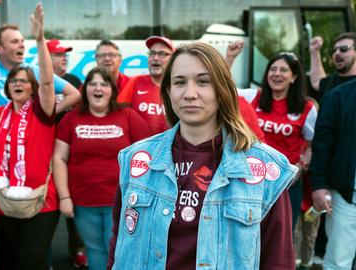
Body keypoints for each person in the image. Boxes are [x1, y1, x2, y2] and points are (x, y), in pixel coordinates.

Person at [108, 42, 296, 269]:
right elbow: (120, 242)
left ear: (222, 89)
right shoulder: (137, 159)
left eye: (203, 81)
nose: (190, 94)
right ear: (168, 91)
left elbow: (278, 259)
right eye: (179, 82)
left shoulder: (265, 169)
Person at [53, 67, 150, 270]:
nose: (98, 88)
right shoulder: (72, 119)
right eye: (93, 84)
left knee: (116, 248)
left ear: (111, 90)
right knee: (95, 249)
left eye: (104, 84)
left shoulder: (128, 116)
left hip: (121, 200)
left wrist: (140, 193)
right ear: (85, 89)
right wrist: (64, 197)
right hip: (83, 201)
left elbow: (146, 156)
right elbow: (59, 158)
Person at [0, 4, 59, 269]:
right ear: (8, 86)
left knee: (34, 259)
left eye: (24, 81)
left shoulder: (42, 110)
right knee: (15, 258)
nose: (18, 84)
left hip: (41, 200)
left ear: (33, 89)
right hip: (4, 198)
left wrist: (40, 40)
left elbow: (49, 82)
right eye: (14, 80)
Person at [0, 0, 81, 139]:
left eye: (22, 41)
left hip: (27, 143)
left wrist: (44, 115)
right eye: (15, 42)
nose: (21, 45)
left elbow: (74, 94)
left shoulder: (34, 70)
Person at [238, 53, 317, 228]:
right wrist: (230, 58)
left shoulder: (307, 108)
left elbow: (313, 146)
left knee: (282, 235)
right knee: (250, 230)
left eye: (283, 70)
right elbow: (223, 89)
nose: (276, 73)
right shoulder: (253, 97)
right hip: (253, 179)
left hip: (287, 181)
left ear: (294, 77)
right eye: (272, 69)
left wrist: (301, 166)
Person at [47, 38, 87, 268]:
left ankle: (77, 248)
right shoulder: (39, 81)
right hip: (43, 148)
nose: (64, 58)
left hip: (68, 150)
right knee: (48, 206)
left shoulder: (73, 81)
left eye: (65, 54)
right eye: (58, 54)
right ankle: (45, 253)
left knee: (73, 202)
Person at [309, 78, 356, 270]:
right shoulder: (337, 97)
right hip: (346, 195)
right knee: (338, 261)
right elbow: (321, 146)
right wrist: (319, 185)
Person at [117, 36, 173, 135]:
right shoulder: (136, 81)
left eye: (162, 54)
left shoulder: (179, 86)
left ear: (172, 59)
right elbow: (119, 113)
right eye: (152, 53)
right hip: (140, 148)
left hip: (171, 147)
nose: (155, 58)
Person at [310, 32, 356, 98]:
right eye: (334, 50)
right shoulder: (331, 81)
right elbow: (317, 80)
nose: (337, 53)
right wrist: (314, 51)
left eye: (343, 49)